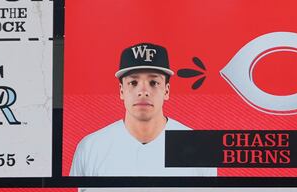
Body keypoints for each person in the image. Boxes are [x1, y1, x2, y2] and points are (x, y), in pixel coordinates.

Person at [69, 42, 215, 177]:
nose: (143, 91)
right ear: (121, 91)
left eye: (154, 82)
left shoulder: (198, 148)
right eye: (133, 82)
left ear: (166, 91)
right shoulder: (91, 147)